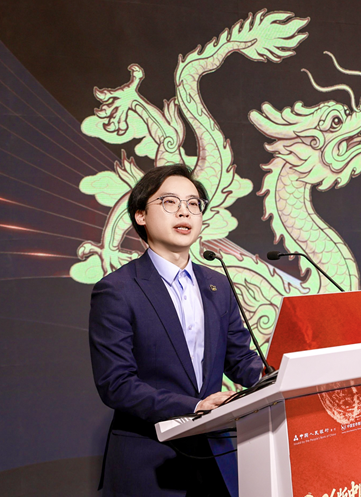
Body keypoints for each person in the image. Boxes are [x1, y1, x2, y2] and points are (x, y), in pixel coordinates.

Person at [89, 164, 263, 496]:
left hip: (215, 458)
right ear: (140, 215)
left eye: (193, 204)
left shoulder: (217, 285)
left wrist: (275, 374)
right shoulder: (117, 290)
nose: (185, 212)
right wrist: (194, 406)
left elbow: (240, 359)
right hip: (150, 463)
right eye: (169, 202)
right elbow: (116, 384)